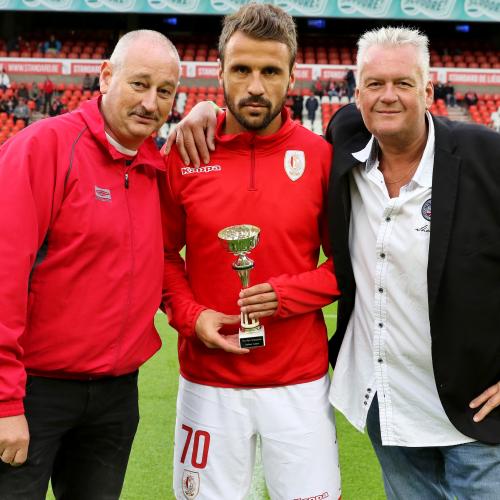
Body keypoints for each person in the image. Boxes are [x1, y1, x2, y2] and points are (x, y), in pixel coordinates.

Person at [160, 4, 341, 499]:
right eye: (241, 69)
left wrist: (285, 295)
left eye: (270, 71)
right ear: (219, 71)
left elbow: (346, 267)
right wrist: (191, 316)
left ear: (292, 75)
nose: (255, 86)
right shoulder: (186, 152)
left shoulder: (322, 158)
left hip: (299, 383)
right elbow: (159, 254)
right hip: (208, 382)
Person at [0, 29, 180, 500]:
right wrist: (4, 401)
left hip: (115, 398)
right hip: (35, 392)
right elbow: (3, 277)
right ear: (106, 77)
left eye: (165, 91)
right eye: (139, 84)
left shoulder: (154, 166)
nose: (150, 102)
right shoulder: (43, 148)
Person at [326, 27, 500, 499]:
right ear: (356, 92)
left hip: (475, 414)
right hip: (387, 405)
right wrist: (210, 110)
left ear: (427, 91)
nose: (388, 96)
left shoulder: (487, 156)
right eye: (375, 84)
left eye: (403, 83)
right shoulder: (343, 143)